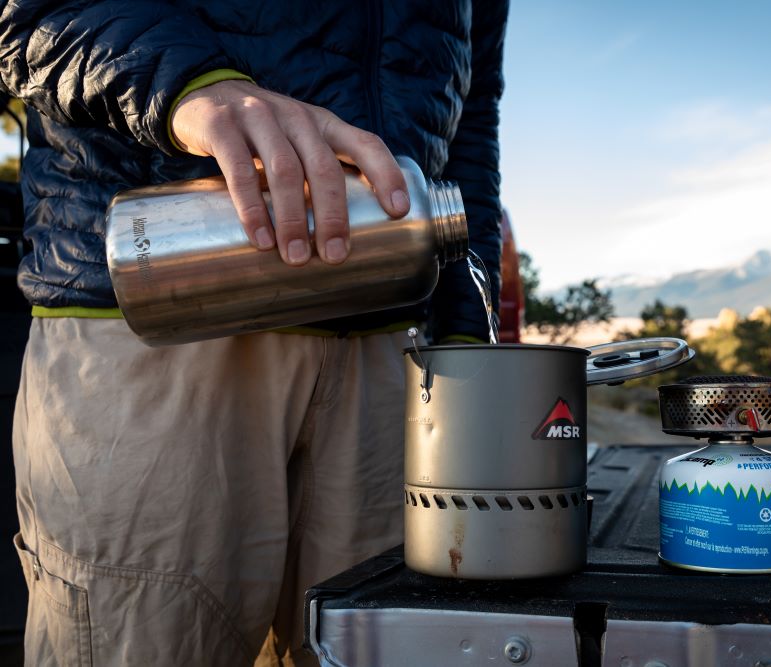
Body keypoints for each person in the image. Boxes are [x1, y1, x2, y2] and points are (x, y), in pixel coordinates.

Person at [0, 1, 507, 664]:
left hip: (394, 348)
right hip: (161, 310)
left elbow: (472, 117)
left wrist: (467, 338)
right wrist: (191, 86)